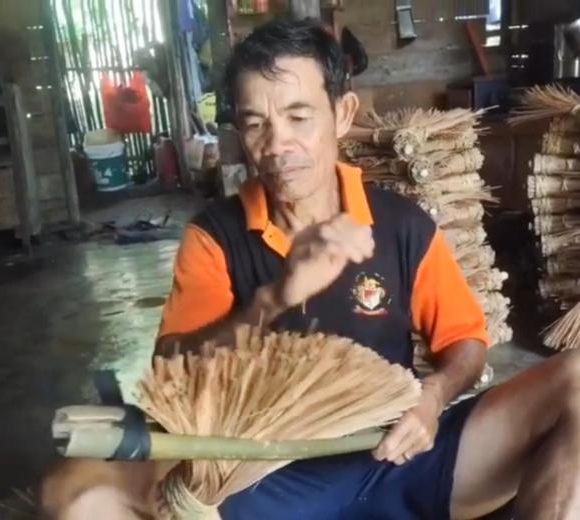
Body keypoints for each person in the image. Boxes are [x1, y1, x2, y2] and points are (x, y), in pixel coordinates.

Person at [42, 18, 580, 520]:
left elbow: (465, 342)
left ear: (342, 114)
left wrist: (433, 399)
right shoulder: (215, 237)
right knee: (77, 493)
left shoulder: (401, 225)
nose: (277, 144)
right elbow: (171, 369)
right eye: (256, 124)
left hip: (397, 454)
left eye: (299, 117)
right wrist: (271, 300)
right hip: (264, 478)